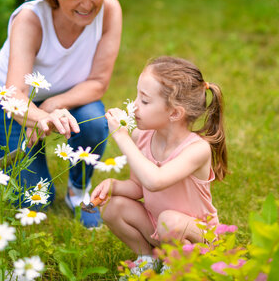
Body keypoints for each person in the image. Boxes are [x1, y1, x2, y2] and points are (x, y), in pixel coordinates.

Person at [0, 0, 131, 228]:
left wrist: (53, 104)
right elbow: (14, 96)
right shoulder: (30, 19)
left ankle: (78, 190)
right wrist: (39, 117)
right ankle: (33, 177)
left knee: (93, 121)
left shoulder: (111, 10)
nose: (88, 4)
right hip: (12, 103)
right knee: (35, 200)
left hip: (69, 96)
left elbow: (98, 83)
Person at [91, 56, 228, 273]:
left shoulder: (197, 149)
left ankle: (180, 268)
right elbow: (139, 186)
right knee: (113, 206)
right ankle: (148, 258)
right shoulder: (142, 137)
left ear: (174, 113)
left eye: (144, 101)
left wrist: (121, 136)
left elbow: (155, 181)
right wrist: (113, 185)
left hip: (197, 237)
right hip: (160, 228)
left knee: (170, 220)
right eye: (138, 96)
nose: (135, 105)